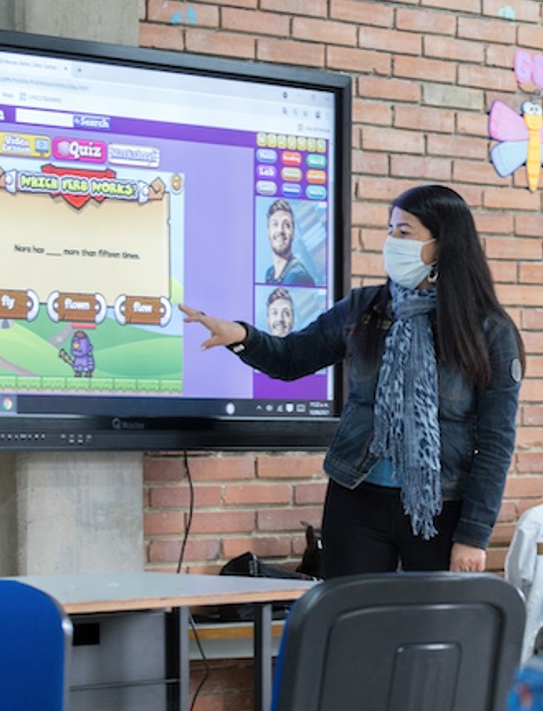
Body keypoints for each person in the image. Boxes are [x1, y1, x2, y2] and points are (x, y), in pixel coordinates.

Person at [182, 184, 524, 576]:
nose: (391, 242)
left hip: (441, 507)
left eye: (404, 233)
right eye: (390, 230)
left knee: (429, 630)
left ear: (442, 244)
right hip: (357, 497)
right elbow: (292, 359)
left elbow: (496, 442)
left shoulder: (488, 330)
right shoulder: (364, 309)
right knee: (351, 623)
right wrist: (242, 336)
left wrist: (475, 534)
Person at [263, 199, 316, 286]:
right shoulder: (270, 273)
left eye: (286, 225)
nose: (280, 230)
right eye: (275, 224)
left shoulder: (298, 276)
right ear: (268, 232)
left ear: (293, 233)